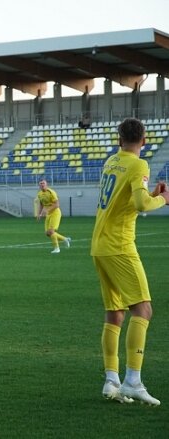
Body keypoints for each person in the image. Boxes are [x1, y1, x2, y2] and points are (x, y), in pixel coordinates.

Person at [92, 117, 169, 405]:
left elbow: (126, 199)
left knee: (115, 313)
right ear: (145, 140)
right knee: (144, 310)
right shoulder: (139, 164)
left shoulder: (112, 161)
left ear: (118, 138)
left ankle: (111, 380)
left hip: (99, 244)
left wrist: (151, 194)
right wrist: (163, 200)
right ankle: (132, 381)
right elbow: (140, 205)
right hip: (120, 245)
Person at [35, 178, 71, 254]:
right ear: (39, 185)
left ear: (46, 184)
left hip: (55, 213)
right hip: (48, 214)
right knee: (48, 233)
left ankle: (57, 249)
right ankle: (65, 239)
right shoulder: (39, 194)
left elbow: (57, 204)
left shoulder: (51, 192)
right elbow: (41, 204)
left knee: (51, 231)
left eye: (43, 183)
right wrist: (39, 214)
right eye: (40, 183)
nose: (42, 185)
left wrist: (47, 210)